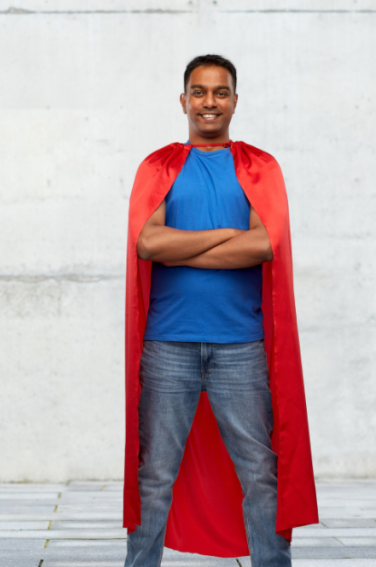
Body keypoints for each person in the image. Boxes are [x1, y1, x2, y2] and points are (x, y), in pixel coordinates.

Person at [122, 54, 318, 567]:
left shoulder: (259, 167)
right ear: (184, 100)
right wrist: (227, 235)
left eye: (221, 92)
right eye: (200, 92)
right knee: (155, 475)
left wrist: (185, 246)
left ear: (234, 100)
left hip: (241, 347)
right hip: (168, 344)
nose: (210, 102)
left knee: (259, 472)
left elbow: (263, 247)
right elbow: (146, 242)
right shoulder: (159, 166)